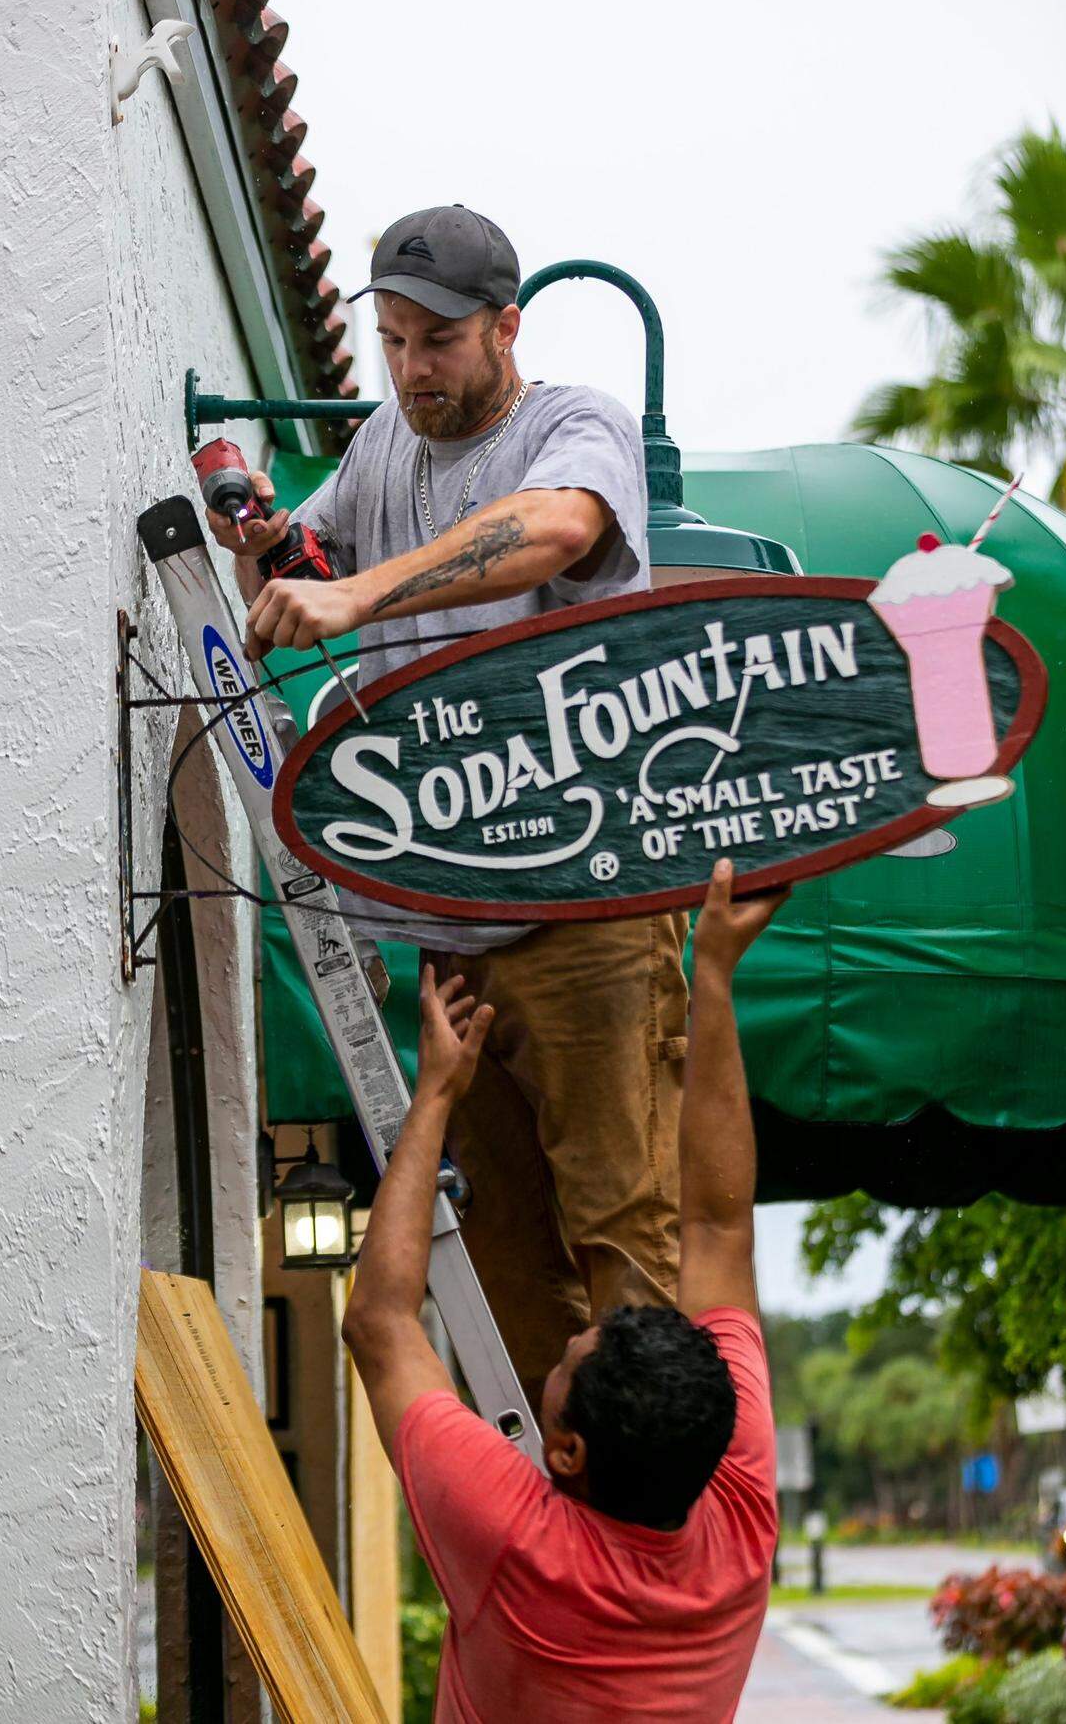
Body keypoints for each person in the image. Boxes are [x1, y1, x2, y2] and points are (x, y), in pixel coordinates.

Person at [207, 204, 688, 1404]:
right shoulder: (379, 445)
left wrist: (361, 593)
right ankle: (555, 1530)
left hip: (587, 918)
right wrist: (265, 537)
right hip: (447, 935)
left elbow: (558, 527)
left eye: (440, 341)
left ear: (506, 327)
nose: (413, 370)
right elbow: (297, 580)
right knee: (508, 1276)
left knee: (628, 1246)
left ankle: (654, 1546)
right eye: (395, 341)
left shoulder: (575, 423)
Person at [343, 858, 786, 1722]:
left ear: (567, 1452)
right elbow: (717, 1228)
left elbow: (377, 1322)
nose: (588, 1325)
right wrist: (716, 980)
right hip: (500, 904)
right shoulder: (720, 1505)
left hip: (566, 916)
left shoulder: (520, 1545)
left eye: (575, 1354)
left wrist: (717, 975)